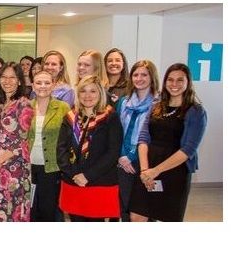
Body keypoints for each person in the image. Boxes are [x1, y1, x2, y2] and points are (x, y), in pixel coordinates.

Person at [130, 63, 208, 222]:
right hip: (148, 167)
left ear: (188, 82)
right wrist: (145, 171)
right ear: (165, 82)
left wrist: (155, 171)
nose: (174, 84)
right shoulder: (156, 106)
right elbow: (143, 138)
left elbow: (188, 150)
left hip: (174, 171)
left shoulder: (196, 111)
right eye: (170, 80)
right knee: (137, 216)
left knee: (167, 218)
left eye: (180, 80)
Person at [56, 75, 123, 222]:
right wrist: (74, 175)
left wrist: (87, 176)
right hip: (73, 182)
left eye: (92, 91)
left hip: (98, 183)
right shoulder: (70, 117)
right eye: (83, 91)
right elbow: (61, 150)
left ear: (100, 93)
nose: (87, 96)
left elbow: (112, 153)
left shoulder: (110, 117)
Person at [0, 63, 34, 222]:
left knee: (13, 208)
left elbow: (21, 139)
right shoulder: (3, 106)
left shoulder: (23, 104)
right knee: (0, 207)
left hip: (15, 166)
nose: (7, 81)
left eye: (12, 77)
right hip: (0, 164)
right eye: (4, 77)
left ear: (20, 81)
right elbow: (1, 137)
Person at [114, 60, 158, 222]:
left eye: (144, 75)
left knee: (145, 207)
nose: (139, 78)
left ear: (152, 78)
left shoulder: (158, 103)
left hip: (145, 161)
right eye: (136, 75)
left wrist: (132, 157)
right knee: (124, 206)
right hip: (122, 161)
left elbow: (153, 136)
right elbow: (116, 131)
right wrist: (121, 156)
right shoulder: (123, 102)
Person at [28, 69, 70, 222]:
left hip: (52, 167)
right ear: (33, 86)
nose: (43, 86)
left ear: (53, 86)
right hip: (28, 166)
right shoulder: (25, 107)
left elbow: (68, 139)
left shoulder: (63, 108)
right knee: (30, 208)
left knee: (48, 210)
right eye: (39, 83)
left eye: (47, 83)